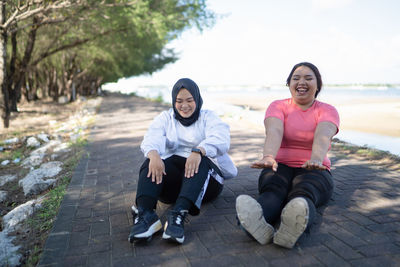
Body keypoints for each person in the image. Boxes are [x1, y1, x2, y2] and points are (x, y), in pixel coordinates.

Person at [236, 62, 340, 249]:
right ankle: (253, 225)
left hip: (314, 168)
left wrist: (316, 158)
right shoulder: (278, 106)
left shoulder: (327, 110)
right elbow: (274, 130)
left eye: (308, 78)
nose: (302, 82)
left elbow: (323, 134)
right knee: (273, 191)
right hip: (279, 165)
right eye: (296, 78)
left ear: (318, 85)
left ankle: (292, 230)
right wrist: (268, 156)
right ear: (289, 83)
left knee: (303, 194)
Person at [129, 78, 237, 244]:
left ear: (197, 99)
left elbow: (221, 138)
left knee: (200, 161)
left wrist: (199, 150)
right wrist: (153, 154)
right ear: (173, 101)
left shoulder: (208, 117)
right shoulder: (166, 118)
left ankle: (178, 215)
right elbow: (152, 136)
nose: (184, 106)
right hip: (174, 187)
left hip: (206, 185)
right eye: (179, 101)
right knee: (151, 162)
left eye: (189, 100)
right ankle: (145, 214)